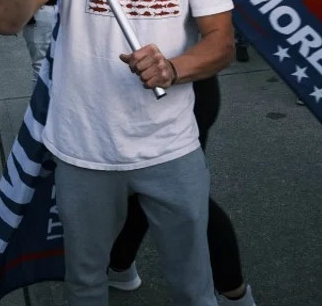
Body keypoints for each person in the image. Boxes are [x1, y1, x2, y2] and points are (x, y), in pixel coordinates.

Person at [0, 0, 235, 305]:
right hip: (84, 149)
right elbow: (6, 19)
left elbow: (221, 44)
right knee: (85, 282)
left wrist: (173, 67)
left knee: (194, 283)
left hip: (171, 149)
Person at [108, 76, 255, 305]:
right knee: (146, 187)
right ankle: (119, 265)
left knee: (181, 195)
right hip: (157, 93)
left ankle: (234, 292)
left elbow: (220, 47)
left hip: (172, 95)